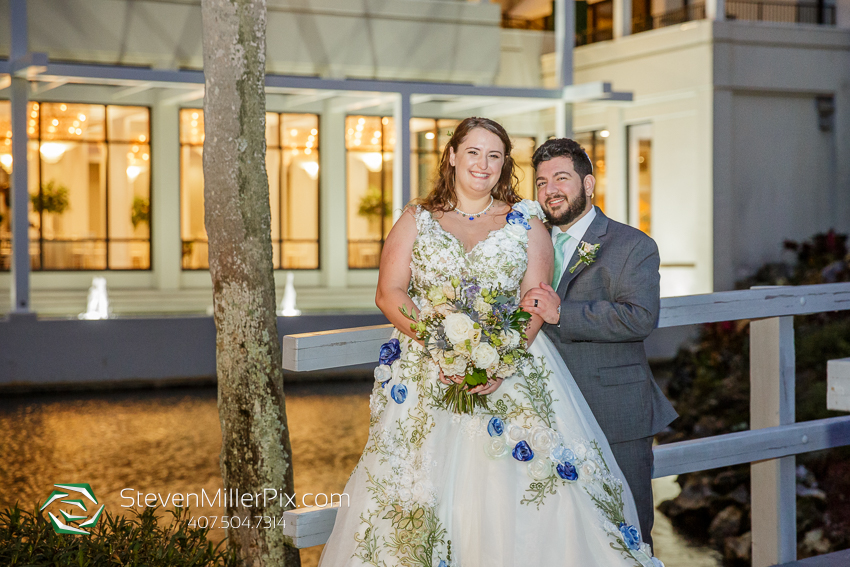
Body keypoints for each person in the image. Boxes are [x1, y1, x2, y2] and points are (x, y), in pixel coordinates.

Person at [318, 118, 663, 567]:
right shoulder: (417, 219)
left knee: (517, 499)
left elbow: (534, 300)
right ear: (452, 156)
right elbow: (390, 293)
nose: (483, 164)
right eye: (474, 152)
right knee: (419, 499)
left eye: (495, 155)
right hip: (428, 379)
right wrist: (443, 345)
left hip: (510, 373)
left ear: (504, 164)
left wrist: (497, 362)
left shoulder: (525, 223)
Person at [520, 138, 678, 549]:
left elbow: (640, 317)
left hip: (615, 411)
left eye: (561, 178)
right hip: (546, 413)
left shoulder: (632, 245)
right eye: (541, 182)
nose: (549, 189)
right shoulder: (528, 244)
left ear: (588, 184)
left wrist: (562, 314)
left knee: (626, 530)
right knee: (563, 534)